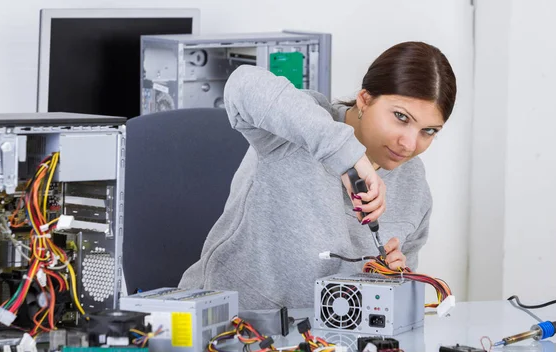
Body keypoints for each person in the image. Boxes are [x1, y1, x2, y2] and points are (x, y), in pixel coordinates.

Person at [179, 41, 457, 314]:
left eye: (429, 131)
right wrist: (348, 155)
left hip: (330, 345)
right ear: (365, 99)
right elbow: (243, 84)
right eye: (401, 117)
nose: (409, 144)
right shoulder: (302, 126)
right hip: (227, 325)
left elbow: (395, 304)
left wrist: (390, 281)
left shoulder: (414, 184)